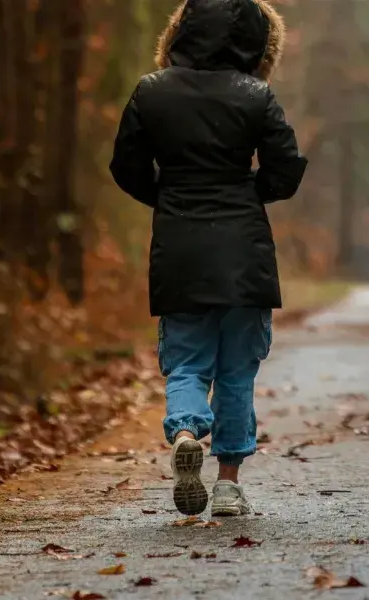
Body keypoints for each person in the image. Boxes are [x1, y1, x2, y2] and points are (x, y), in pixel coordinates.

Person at [109, 0, 306, 517]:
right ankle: (227, 486)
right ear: (256, 42)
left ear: (182, 31)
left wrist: (168, 198)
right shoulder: (255, 95)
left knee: (188, 360)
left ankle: (186, 430)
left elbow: (125, 165)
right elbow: (286, 167)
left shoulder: (152, 92)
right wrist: (249, 192)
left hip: (179, 245)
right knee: (238, 369)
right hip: (244, 248)